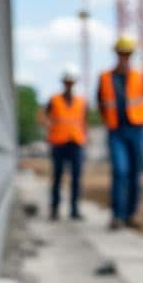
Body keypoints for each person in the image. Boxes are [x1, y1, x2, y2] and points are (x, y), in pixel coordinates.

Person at [97, 34, 143, 230]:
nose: (124, 57)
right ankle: (117, 216)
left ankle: (131, 215)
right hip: (116, 131)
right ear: (117, 54)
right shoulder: (105, 78)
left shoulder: (140, 77)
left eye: (127, 54)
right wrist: (109, 122)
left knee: (135, 174)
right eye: (121, 54)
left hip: (136, 130)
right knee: (120, 171)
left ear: (131, 55)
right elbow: (102, 103)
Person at [41, 64, 86, 221]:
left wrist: (86, 137)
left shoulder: (81, 101)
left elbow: (83, 121)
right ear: (63, 82)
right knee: (58, 176)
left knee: (76, 177)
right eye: (67, 81)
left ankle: (74, 210)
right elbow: (43, 116)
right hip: (59, 142)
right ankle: (54, 209)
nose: (69, 84)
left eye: (71, 82)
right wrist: (47, 125)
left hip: (76, 142)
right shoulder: (54, 100)